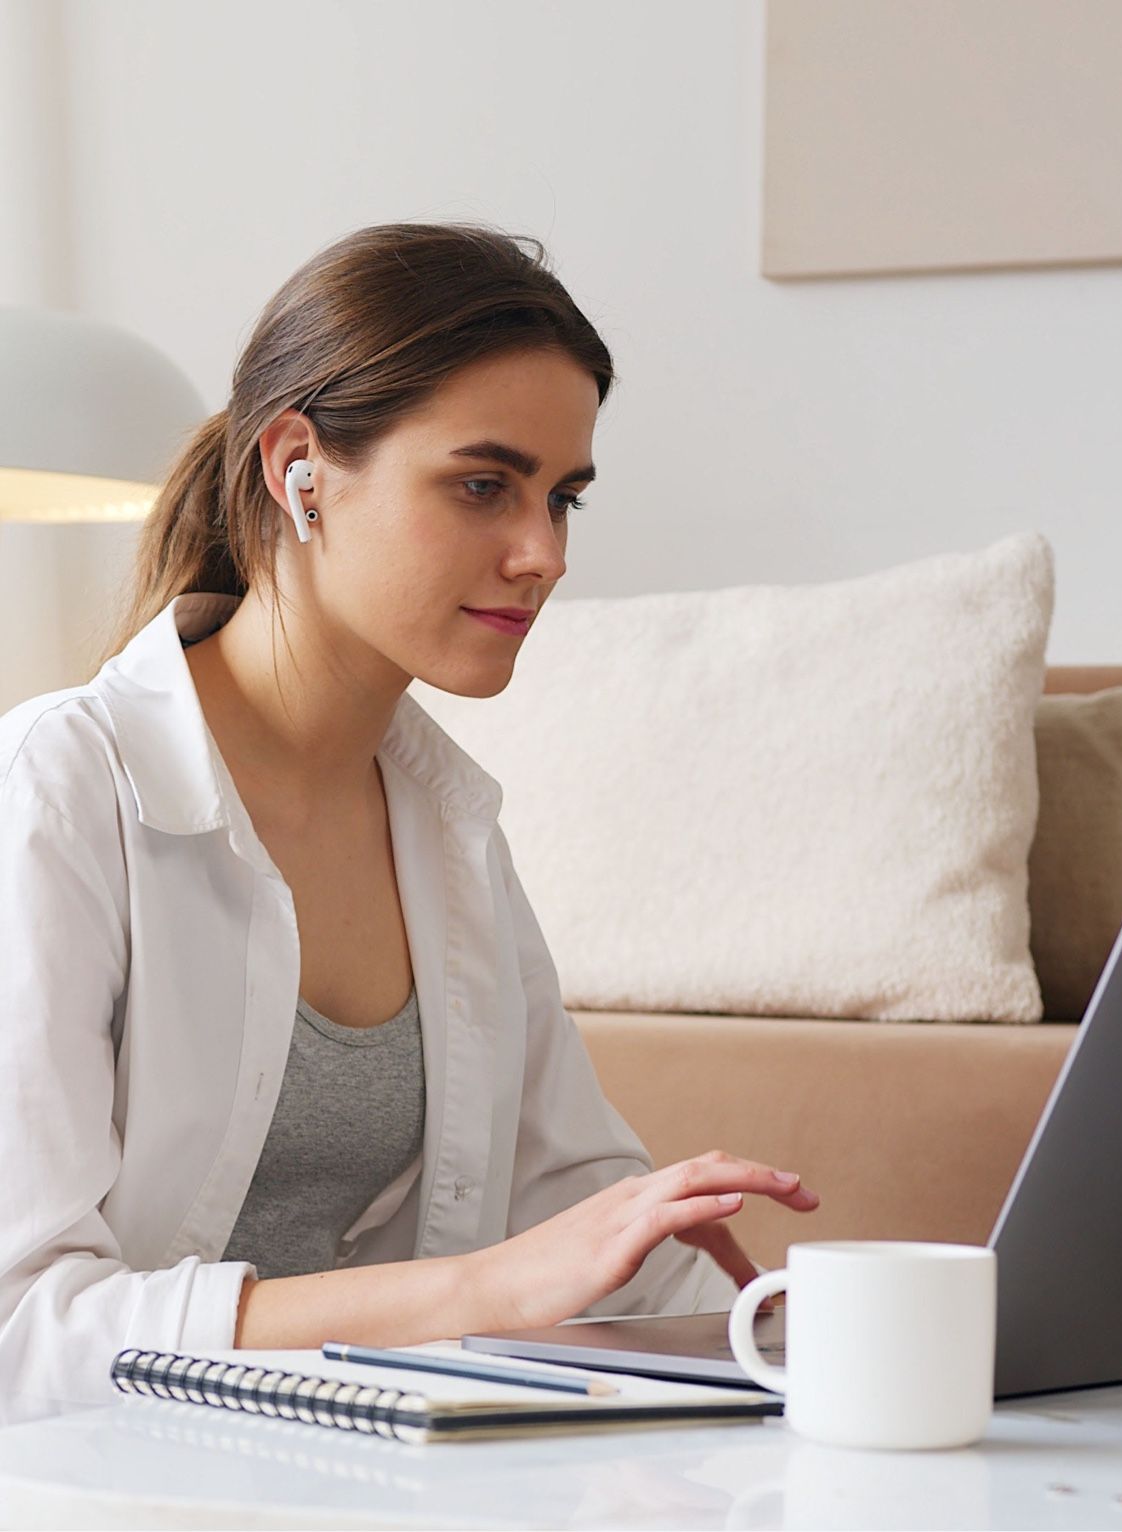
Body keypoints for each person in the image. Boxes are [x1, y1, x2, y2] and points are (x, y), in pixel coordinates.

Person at [0, 222, 818, 1424]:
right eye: (483, 484)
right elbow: (22, 1332)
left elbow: (583, 1212)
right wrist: (475, 1290)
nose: (542, 553)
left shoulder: (451, 826)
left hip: (385, 1463)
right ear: (300, 468)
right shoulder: (60, 789)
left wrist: (839, 1335)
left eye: (563, 497)